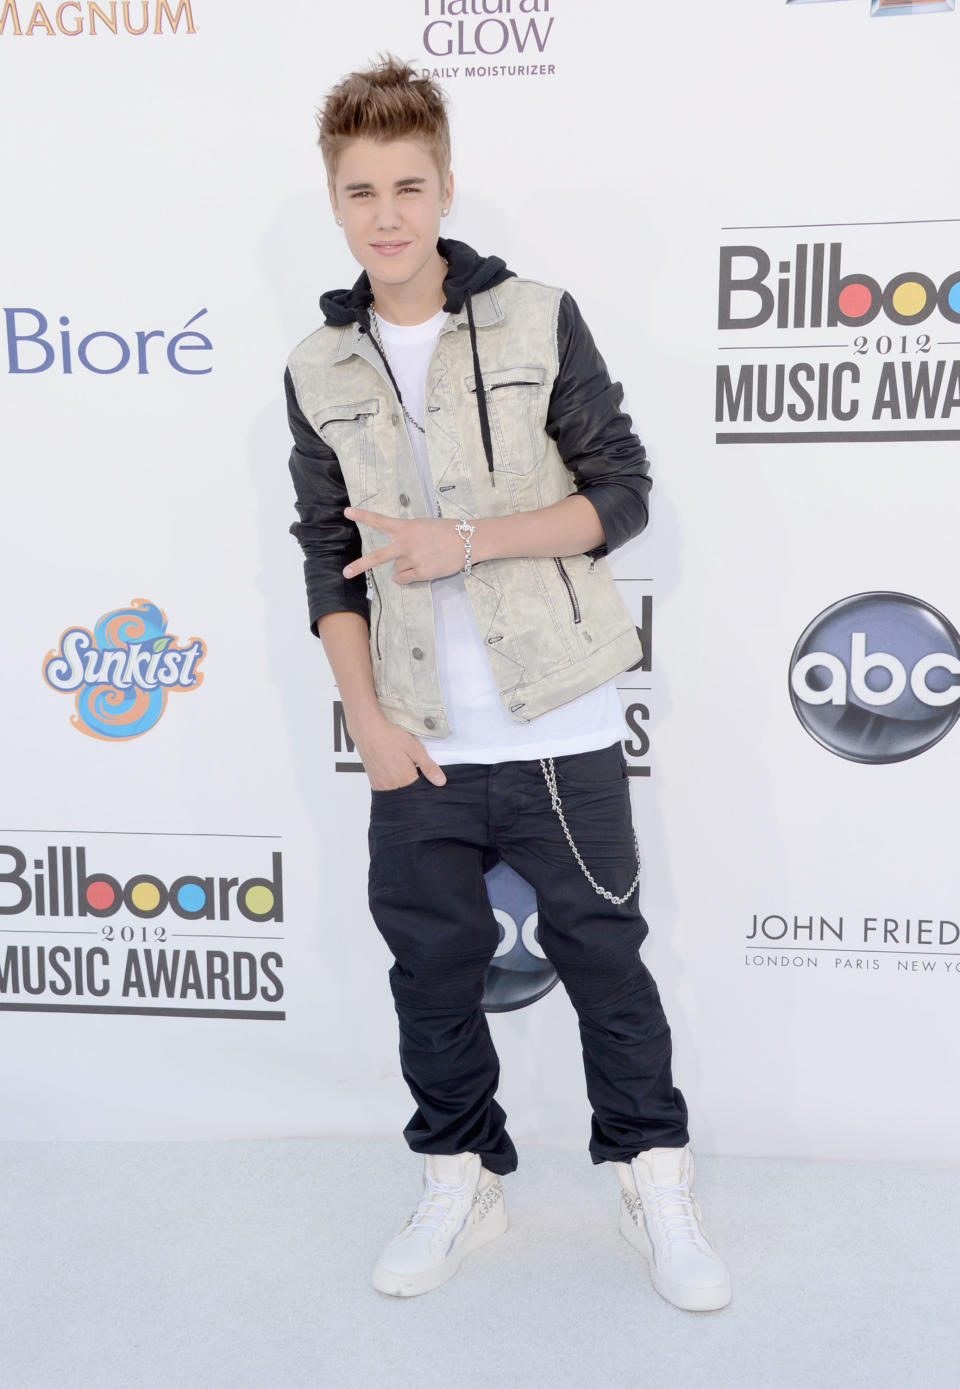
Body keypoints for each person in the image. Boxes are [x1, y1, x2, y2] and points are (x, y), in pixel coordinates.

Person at [285, 52, 731, 1311]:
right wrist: (366, 721)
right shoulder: (317, 367)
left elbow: (623, 497)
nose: (387, 214)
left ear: (445, 186)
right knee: (431, 971)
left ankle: (654, 1179)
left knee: (604, 956)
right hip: (418, 733)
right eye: (362, 189)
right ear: (336, 201)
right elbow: (325, 563)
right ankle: (458, 1176)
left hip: (561, 719)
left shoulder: (537, 315)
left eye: (408, 185)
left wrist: (464, 543)